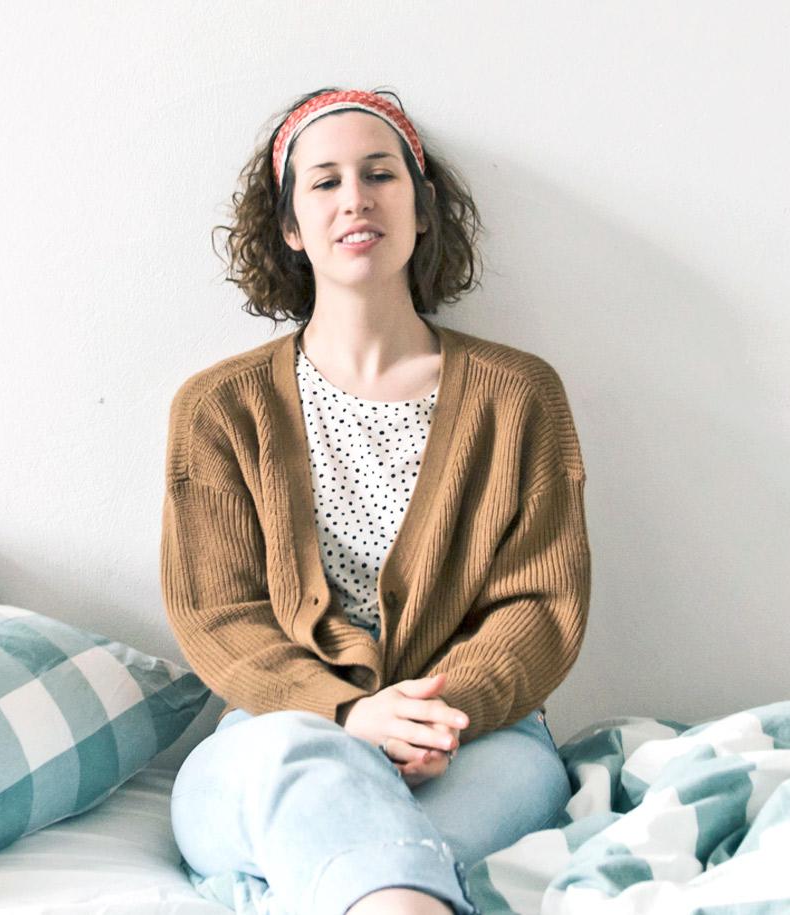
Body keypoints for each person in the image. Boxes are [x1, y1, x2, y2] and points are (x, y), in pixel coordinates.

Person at [159, 86, 592, 915]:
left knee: (352, 857)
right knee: (317, 782)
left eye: (379, 173)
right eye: (323, 182)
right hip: (275, 737)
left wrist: (439, 714)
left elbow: (541, 604)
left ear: (422, 208)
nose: (354, 197)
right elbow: (219, 615)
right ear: (289, 226)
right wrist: (351, 712)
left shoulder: (518, 394)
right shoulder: (219, 409)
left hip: (477, 740)